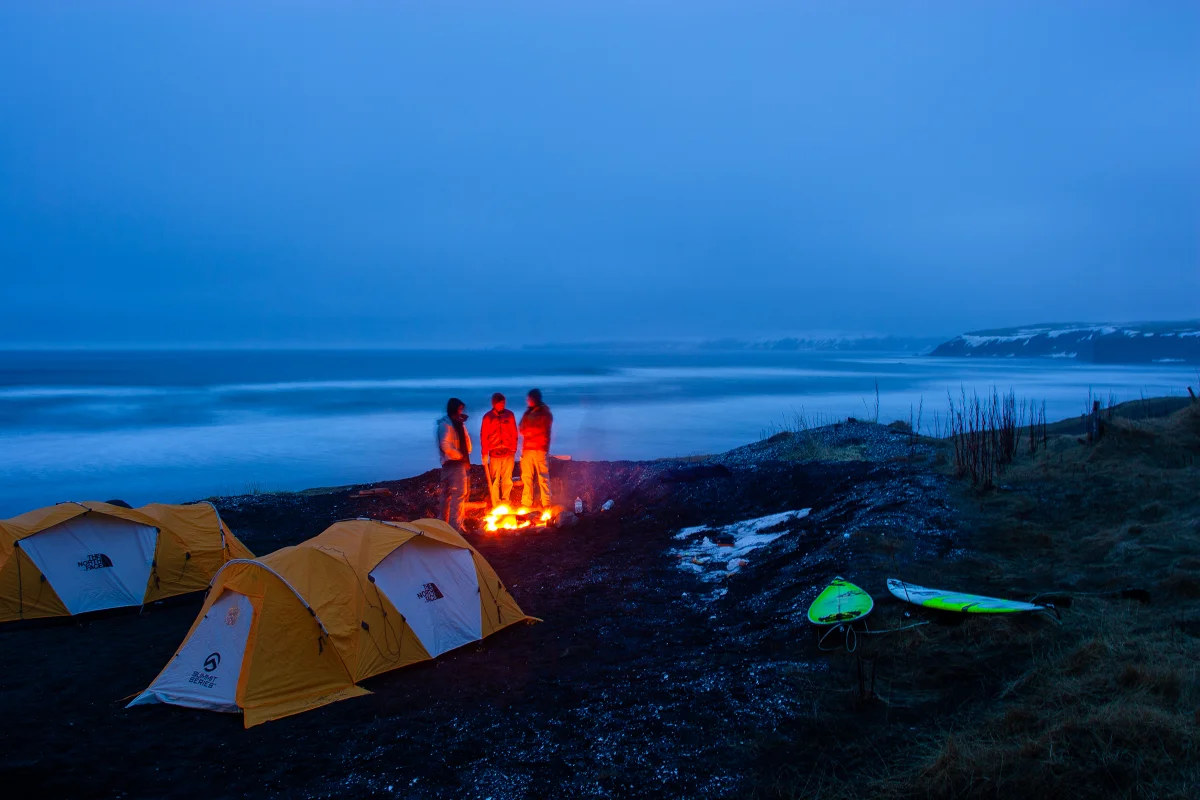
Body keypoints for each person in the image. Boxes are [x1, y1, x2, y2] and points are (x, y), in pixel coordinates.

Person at [435, 397, 472, 531]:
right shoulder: (446, 425)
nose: (461, 411)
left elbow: (465, 440)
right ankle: (455, 526)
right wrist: (460, 456)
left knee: (448, 495)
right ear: (454, 409)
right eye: (460, 408)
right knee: (458, 494)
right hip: (454, 463)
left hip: (456, 462)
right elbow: (445, 444)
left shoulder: (458, 423)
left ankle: (444, 524)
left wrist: (467, 450)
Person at [479, 392, 518, 508]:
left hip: (508, 452)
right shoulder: (488, 417)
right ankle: (496, 502)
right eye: (500, 403)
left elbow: (514, 432)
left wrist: (513, 448)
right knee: (495, 479)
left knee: (507, 478)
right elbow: (484, 435)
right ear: (494, 403)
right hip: (494, 452)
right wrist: (484, 453)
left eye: (503, 402)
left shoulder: (509, 415)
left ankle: (506, 500)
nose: (502, 405)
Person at [519, 388, 553, 509]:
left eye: (529, 398)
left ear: (534, 399)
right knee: (526, 476)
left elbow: (542, 429)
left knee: (543, 476)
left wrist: (530, 432)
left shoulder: (545, 412)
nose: (527, 401)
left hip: (540, 449)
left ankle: (546, 502)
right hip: (527, 449)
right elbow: (521, 428)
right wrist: (529, 431)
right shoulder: (528, 413)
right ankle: (526, 502)